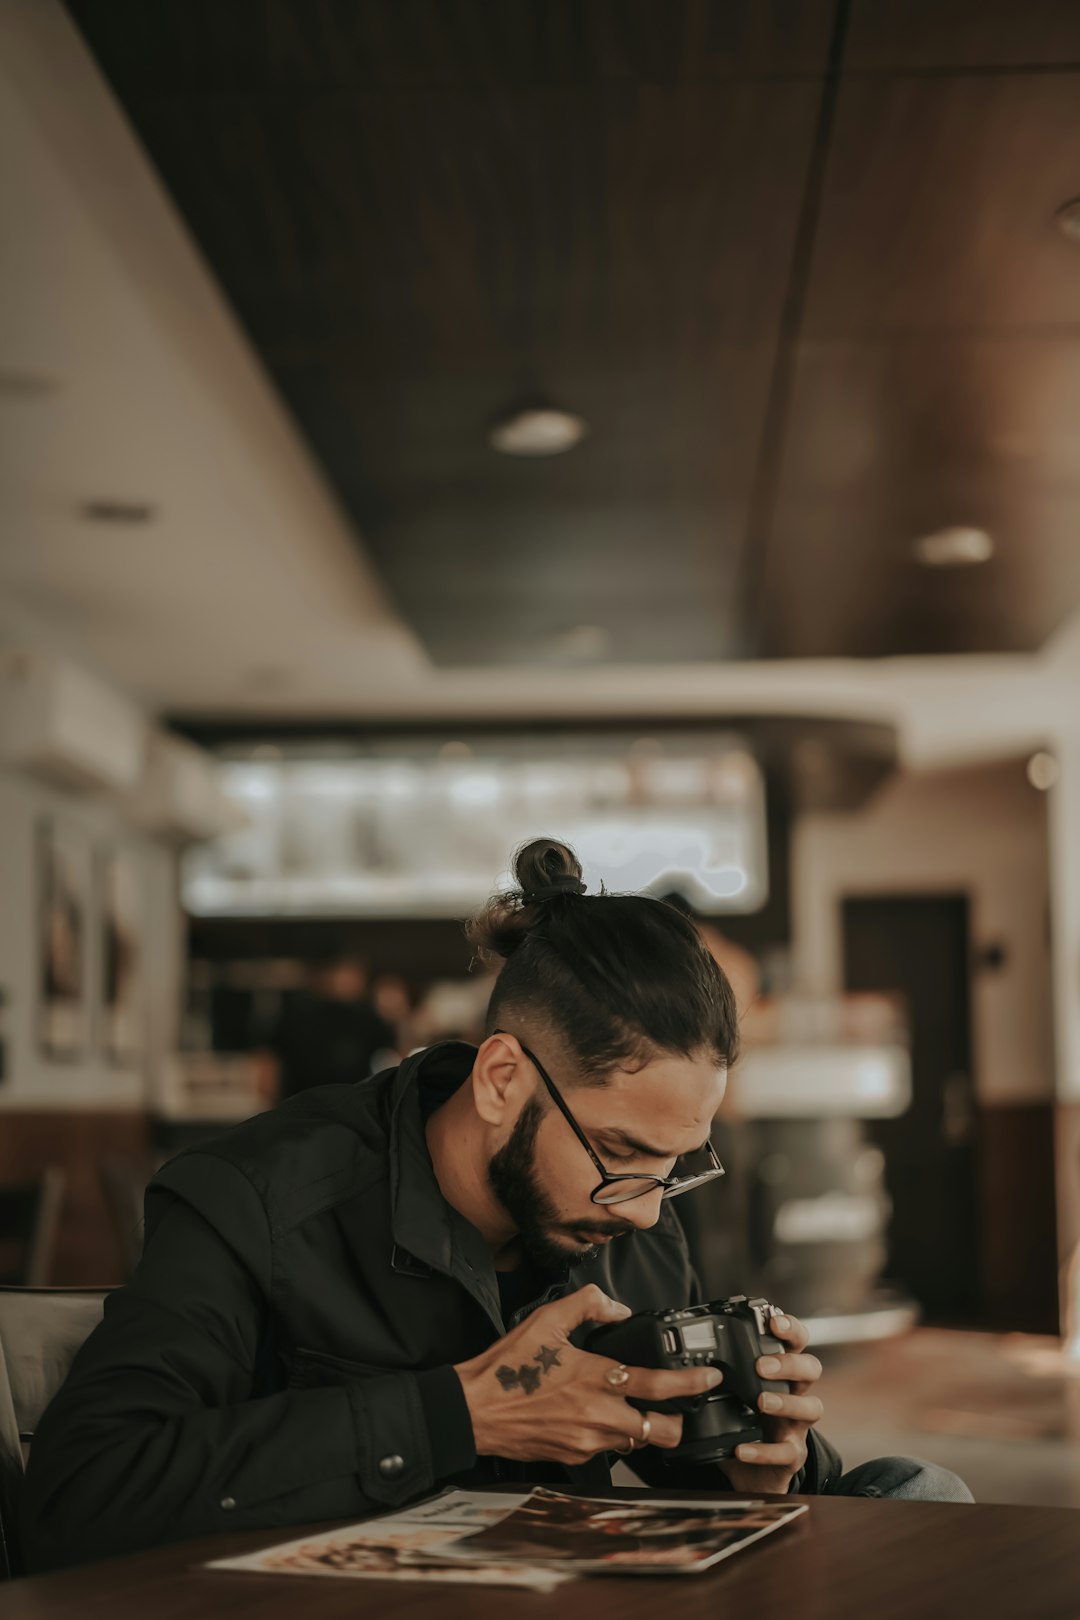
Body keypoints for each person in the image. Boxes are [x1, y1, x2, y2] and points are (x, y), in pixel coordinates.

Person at [21, 839, 970, 1573]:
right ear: (502, 1079)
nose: (646, 1213)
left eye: (677, 1166)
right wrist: (461, 1415)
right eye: (620, 1152)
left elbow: (665, 1442)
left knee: (919, 1492)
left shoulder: (627, 1211)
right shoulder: (260, 1199)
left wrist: (759, 1461)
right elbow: (78, 1496)